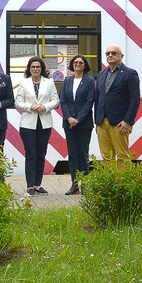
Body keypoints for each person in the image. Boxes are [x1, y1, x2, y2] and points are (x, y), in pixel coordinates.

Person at [15, 57, 60, 196]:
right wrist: (31, 106)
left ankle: (38, 185)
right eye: (33, 67)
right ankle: (29, 186)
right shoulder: (23, 83)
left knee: (41, 154)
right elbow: (18, 102)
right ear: (29, 69)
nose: (35, 69)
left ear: (42, 69)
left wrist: (45, 107)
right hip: (28, 124)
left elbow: (56, 101)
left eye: (38, 67)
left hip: (44, 123)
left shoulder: (49, 82)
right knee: (31, 154)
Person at [95, 44, 141, 161]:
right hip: (102, 122)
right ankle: (110, 180)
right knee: (106, 157)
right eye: (107, 53)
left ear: (121, 56)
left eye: (114, 53)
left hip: (120, 123)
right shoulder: (101, 74)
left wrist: (127, 121)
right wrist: (97, 122)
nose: (110, 55)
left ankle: (123, 180)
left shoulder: (130, 74)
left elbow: (135, 100)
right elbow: (98, 98)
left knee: (122, 156)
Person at [59, 54, 95, 195]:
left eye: (80, 62)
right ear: (72, 65)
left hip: (84, 124)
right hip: (69, 124)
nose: (78, 64)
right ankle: (74, 185)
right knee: (72, 154)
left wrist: (78, 119)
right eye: (75, 62)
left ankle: (85, 184)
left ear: (84, 65)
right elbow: (63, 101)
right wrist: (68, 118)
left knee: (83, 154)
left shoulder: (90, 81)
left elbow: (89, 101)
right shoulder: (67, 80)